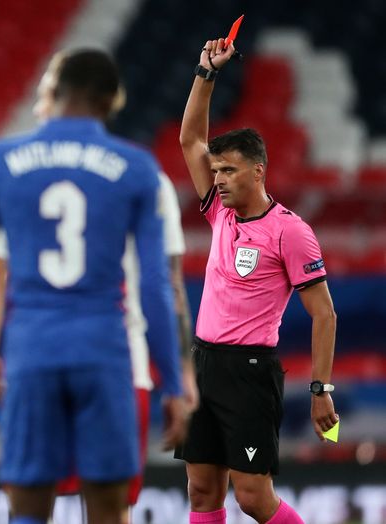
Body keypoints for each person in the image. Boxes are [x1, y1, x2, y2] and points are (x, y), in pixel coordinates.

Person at [0, 49, 187, 524]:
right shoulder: (136, 168)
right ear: (112, 101)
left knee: (28, 508)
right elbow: (156, 286)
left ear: (53, 92)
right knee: (108, 509)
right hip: (105, 352)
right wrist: (174, 381)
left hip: (31, 352)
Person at [175, 37, 338, 523]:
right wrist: (206, 72)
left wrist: (320, 388)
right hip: (204, 364)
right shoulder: (219, 214)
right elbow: (190, 140)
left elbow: (324, 313)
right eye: (216, 170)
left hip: (250, 372)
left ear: (259, 171)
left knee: (252, 497)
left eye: (229, 170)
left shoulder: (290, 231)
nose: (219, 179)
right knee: (202, 491)